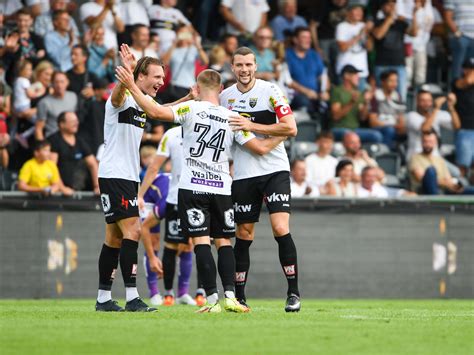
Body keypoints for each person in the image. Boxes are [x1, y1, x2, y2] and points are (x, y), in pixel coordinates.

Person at [115, 65, 287, 313]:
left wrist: (131, 84)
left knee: (200, 242)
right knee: (224, 241)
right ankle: (230, 296)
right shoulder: (232, 117)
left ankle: (211, 300)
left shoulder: (189, 108)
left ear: (197, 87)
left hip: (192, 186)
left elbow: (154, 111)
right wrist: (283, 133)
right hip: (221, 188)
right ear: (221, 88)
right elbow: (260, 149)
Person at [220, 46, 301, 312]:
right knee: (243, 234)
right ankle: (240, 297)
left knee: (280, 228)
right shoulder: (225, 98)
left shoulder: (271, 91)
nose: (244, 70)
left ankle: (293, 293)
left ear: (256, 66)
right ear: (233, 68)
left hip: (275, 170)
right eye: (239, 65)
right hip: (243, 175)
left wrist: (251, 125)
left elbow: (291, 127)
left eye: (248, 65)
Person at [95, 47, 168, 312]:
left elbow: (164, 110)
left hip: (124, 176)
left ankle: (103, 298)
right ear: (141, 76)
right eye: (157, 76)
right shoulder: (123, 99)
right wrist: (125, 74)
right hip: (116, 175)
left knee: (114, 239)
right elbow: (116, 97)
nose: (161, 82)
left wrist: (189, 98)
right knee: (134, 231)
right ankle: (132, 297)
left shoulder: (141, 103)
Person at [139, 127, 200, 307]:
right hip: (152, 196)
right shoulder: (166, 204)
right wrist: (152, 258)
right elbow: (144, 227)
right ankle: (154, 293)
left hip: (180, 195)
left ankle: (182, 294)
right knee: (155, 240)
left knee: (187, 244)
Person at [372, 0, 419, 102]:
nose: (392, 7)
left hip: (399, 64)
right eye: (389, 5)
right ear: (383, 7)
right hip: (381, 64)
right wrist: (389, 19)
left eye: (394, 5)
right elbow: (378, 35)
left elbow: (414, 33)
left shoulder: (401, 23)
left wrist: (414, 14)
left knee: (401, 96)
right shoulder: (377, 22)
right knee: (380, 96)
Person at [410, 130, 474, 194]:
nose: (427, 144)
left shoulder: (440, 160)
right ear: (421, 142)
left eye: (430, 141)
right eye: (425, 141)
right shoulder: (415, 158)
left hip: (444, 191)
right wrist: (445, 183)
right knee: (431, 171)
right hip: (424, 192)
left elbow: (448, 178)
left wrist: (454, 186)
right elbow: (421, 178)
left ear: (435, 142)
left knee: (469, 190)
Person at [49, 111, 99, 193]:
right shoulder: (54, 140)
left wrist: (97, 186)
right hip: (59, 192)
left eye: (77, 121)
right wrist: (62, 188)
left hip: (79, 189)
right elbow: (51, 167)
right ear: (62, 124)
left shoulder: (80, 141)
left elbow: (93, 164)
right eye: (72, 122)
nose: (76, 124)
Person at [330, 65, 382, 143]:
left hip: (355, 130)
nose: (358, 77)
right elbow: (336, 116)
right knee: (348, 134)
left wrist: (366, 102)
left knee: (376, 135)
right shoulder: (337, 91)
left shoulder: (358, 93)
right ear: (346, 76)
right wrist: (351, 102)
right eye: (355, 74)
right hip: (339, 128)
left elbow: (362, 117)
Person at [285, 26, 328, 118]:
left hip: (316, 94)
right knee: (304, 102)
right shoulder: (287, 55)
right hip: (295, 95)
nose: (308, 40)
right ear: (295, 40)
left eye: (309, 38)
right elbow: (288, 81)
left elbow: (322, 75)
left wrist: (324, 91)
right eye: (304, 37)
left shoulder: (314, 54)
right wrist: (307, 91)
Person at [406, 90, 461, 161]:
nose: (426, 103)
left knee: (455, 172)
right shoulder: (412, 115)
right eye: (423, 100)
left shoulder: (436, 113)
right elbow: (425, 129)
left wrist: (451, 107)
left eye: (429, 100)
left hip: (435, 157)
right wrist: (435, 108)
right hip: (417, 157)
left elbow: (456, 126)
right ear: (417, 102)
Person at [335, 4, 373, 91]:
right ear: (348, 12)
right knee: (345, 100)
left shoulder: (364, 26)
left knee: (359, 101)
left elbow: (370, 48)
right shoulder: (341, 26)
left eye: (361, 10)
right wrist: (360, 34)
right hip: (345, 72)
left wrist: (368, 33)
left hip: (361, 72)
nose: (359, 13)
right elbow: (343, 48)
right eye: (356, 10)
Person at [35, 71, 78, 140]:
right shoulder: (44, 103)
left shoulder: (73, 96)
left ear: (67, 82)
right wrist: (42, 147)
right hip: (53, 139)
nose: (59, 85)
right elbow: (39, 128)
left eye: (62, 82)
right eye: (56, 82)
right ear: (52, 83)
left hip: (70, 139)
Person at [368, 70, 406, 149]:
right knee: (390, 130)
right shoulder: (375, 96)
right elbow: (373, 122)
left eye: (396, 81)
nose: (394, 84)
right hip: (380, 127)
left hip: (394, 127)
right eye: (391, 81)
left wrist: (401, 127)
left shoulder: (398, 96)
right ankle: (384, 154)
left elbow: (401, 117)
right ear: (383, 82)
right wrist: (392, 125)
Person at [452, 58, 474, 180]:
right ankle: (459, 191)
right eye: (470, 69)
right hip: (465, 129)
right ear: (464, 70)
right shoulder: (457, 82)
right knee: (462, 166)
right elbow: (468, 81)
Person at [444, 0, 474, 80]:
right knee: (458, 68)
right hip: (461, 38)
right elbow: (447, 17)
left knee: (471, 69)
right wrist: (458, 34)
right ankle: (456, 90)